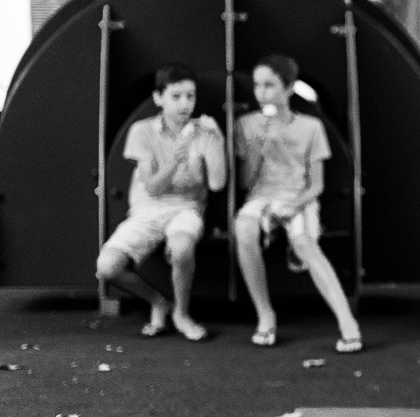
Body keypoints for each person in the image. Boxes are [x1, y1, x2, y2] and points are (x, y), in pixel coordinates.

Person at [233, 54, 363, 353]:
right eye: (257, 85)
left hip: (298, 197)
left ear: (289, 88)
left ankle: (346, 321)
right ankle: (265, 314)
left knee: (305, 244)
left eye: (270, 85)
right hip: (261, 197)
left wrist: (295, 205)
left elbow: (316, 185)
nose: (262, 92)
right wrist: (258, 148)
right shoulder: (247, 125)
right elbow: (245, 184)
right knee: (244, 228)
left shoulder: (311, 127)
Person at [96, 64, 226, 342]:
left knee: (181, 247)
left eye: (190, 96)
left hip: (186, 209)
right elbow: (153, 188)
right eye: (176, 96)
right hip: (146, 210)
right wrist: (176, 158)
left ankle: (182, 313)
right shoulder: (141, 131)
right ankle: (158, 302)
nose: (185, 104)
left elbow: (216, 184)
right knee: (107, 267)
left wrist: (217, 140)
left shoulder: (203, 132)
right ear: (158, 98)